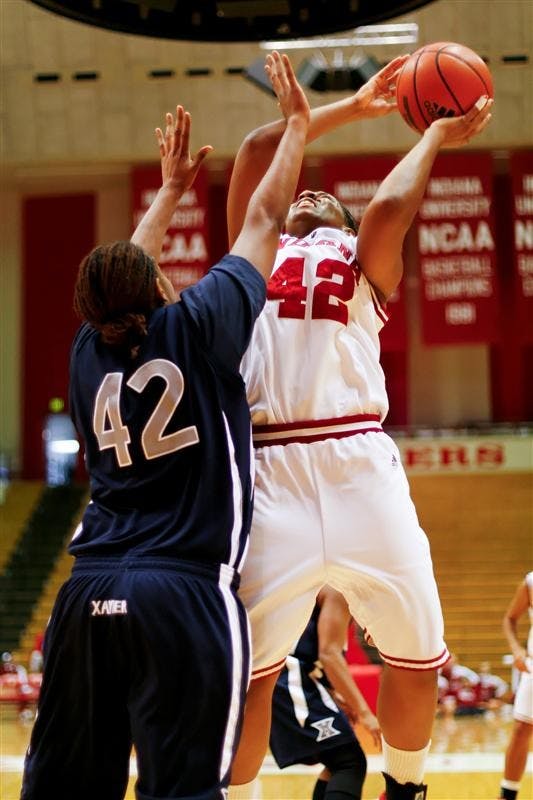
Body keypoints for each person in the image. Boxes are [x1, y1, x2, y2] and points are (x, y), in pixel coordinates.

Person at [20, 51, 310, 800]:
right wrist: (297, 130)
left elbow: (123, 270)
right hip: (179, 589)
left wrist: (171, 190)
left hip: (86, 595)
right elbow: (266, 219)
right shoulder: (201, 324)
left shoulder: (87, 353)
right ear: (157, 286)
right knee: (180, 791)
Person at [226, 55, 493, 800]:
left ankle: (403, 786)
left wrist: (435, 135)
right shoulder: (254, 246)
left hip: (354, 459)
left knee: (415, 655)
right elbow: (255, 152)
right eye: (302, 188)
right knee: (253, 669)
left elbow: (384, 212)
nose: (311, 190)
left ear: (339, 228)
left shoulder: (359, 258)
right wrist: (351, 110)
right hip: (269, 469)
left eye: (327, 199)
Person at [269, 586, 381, 800]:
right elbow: (329, 654)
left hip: (289, 678)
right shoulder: (339, 587)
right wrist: (365, 713)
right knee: (349, 761)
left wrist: (332, 693)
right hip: (289, 681)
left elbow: (308, 648)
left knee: (337, 762)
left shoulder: (323, 583)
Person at [498, 572, 533, 800]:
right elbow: (509, 619)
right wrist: (517, 650)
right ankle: (507, 795)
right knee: (521, 729)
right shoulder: (531, 582)